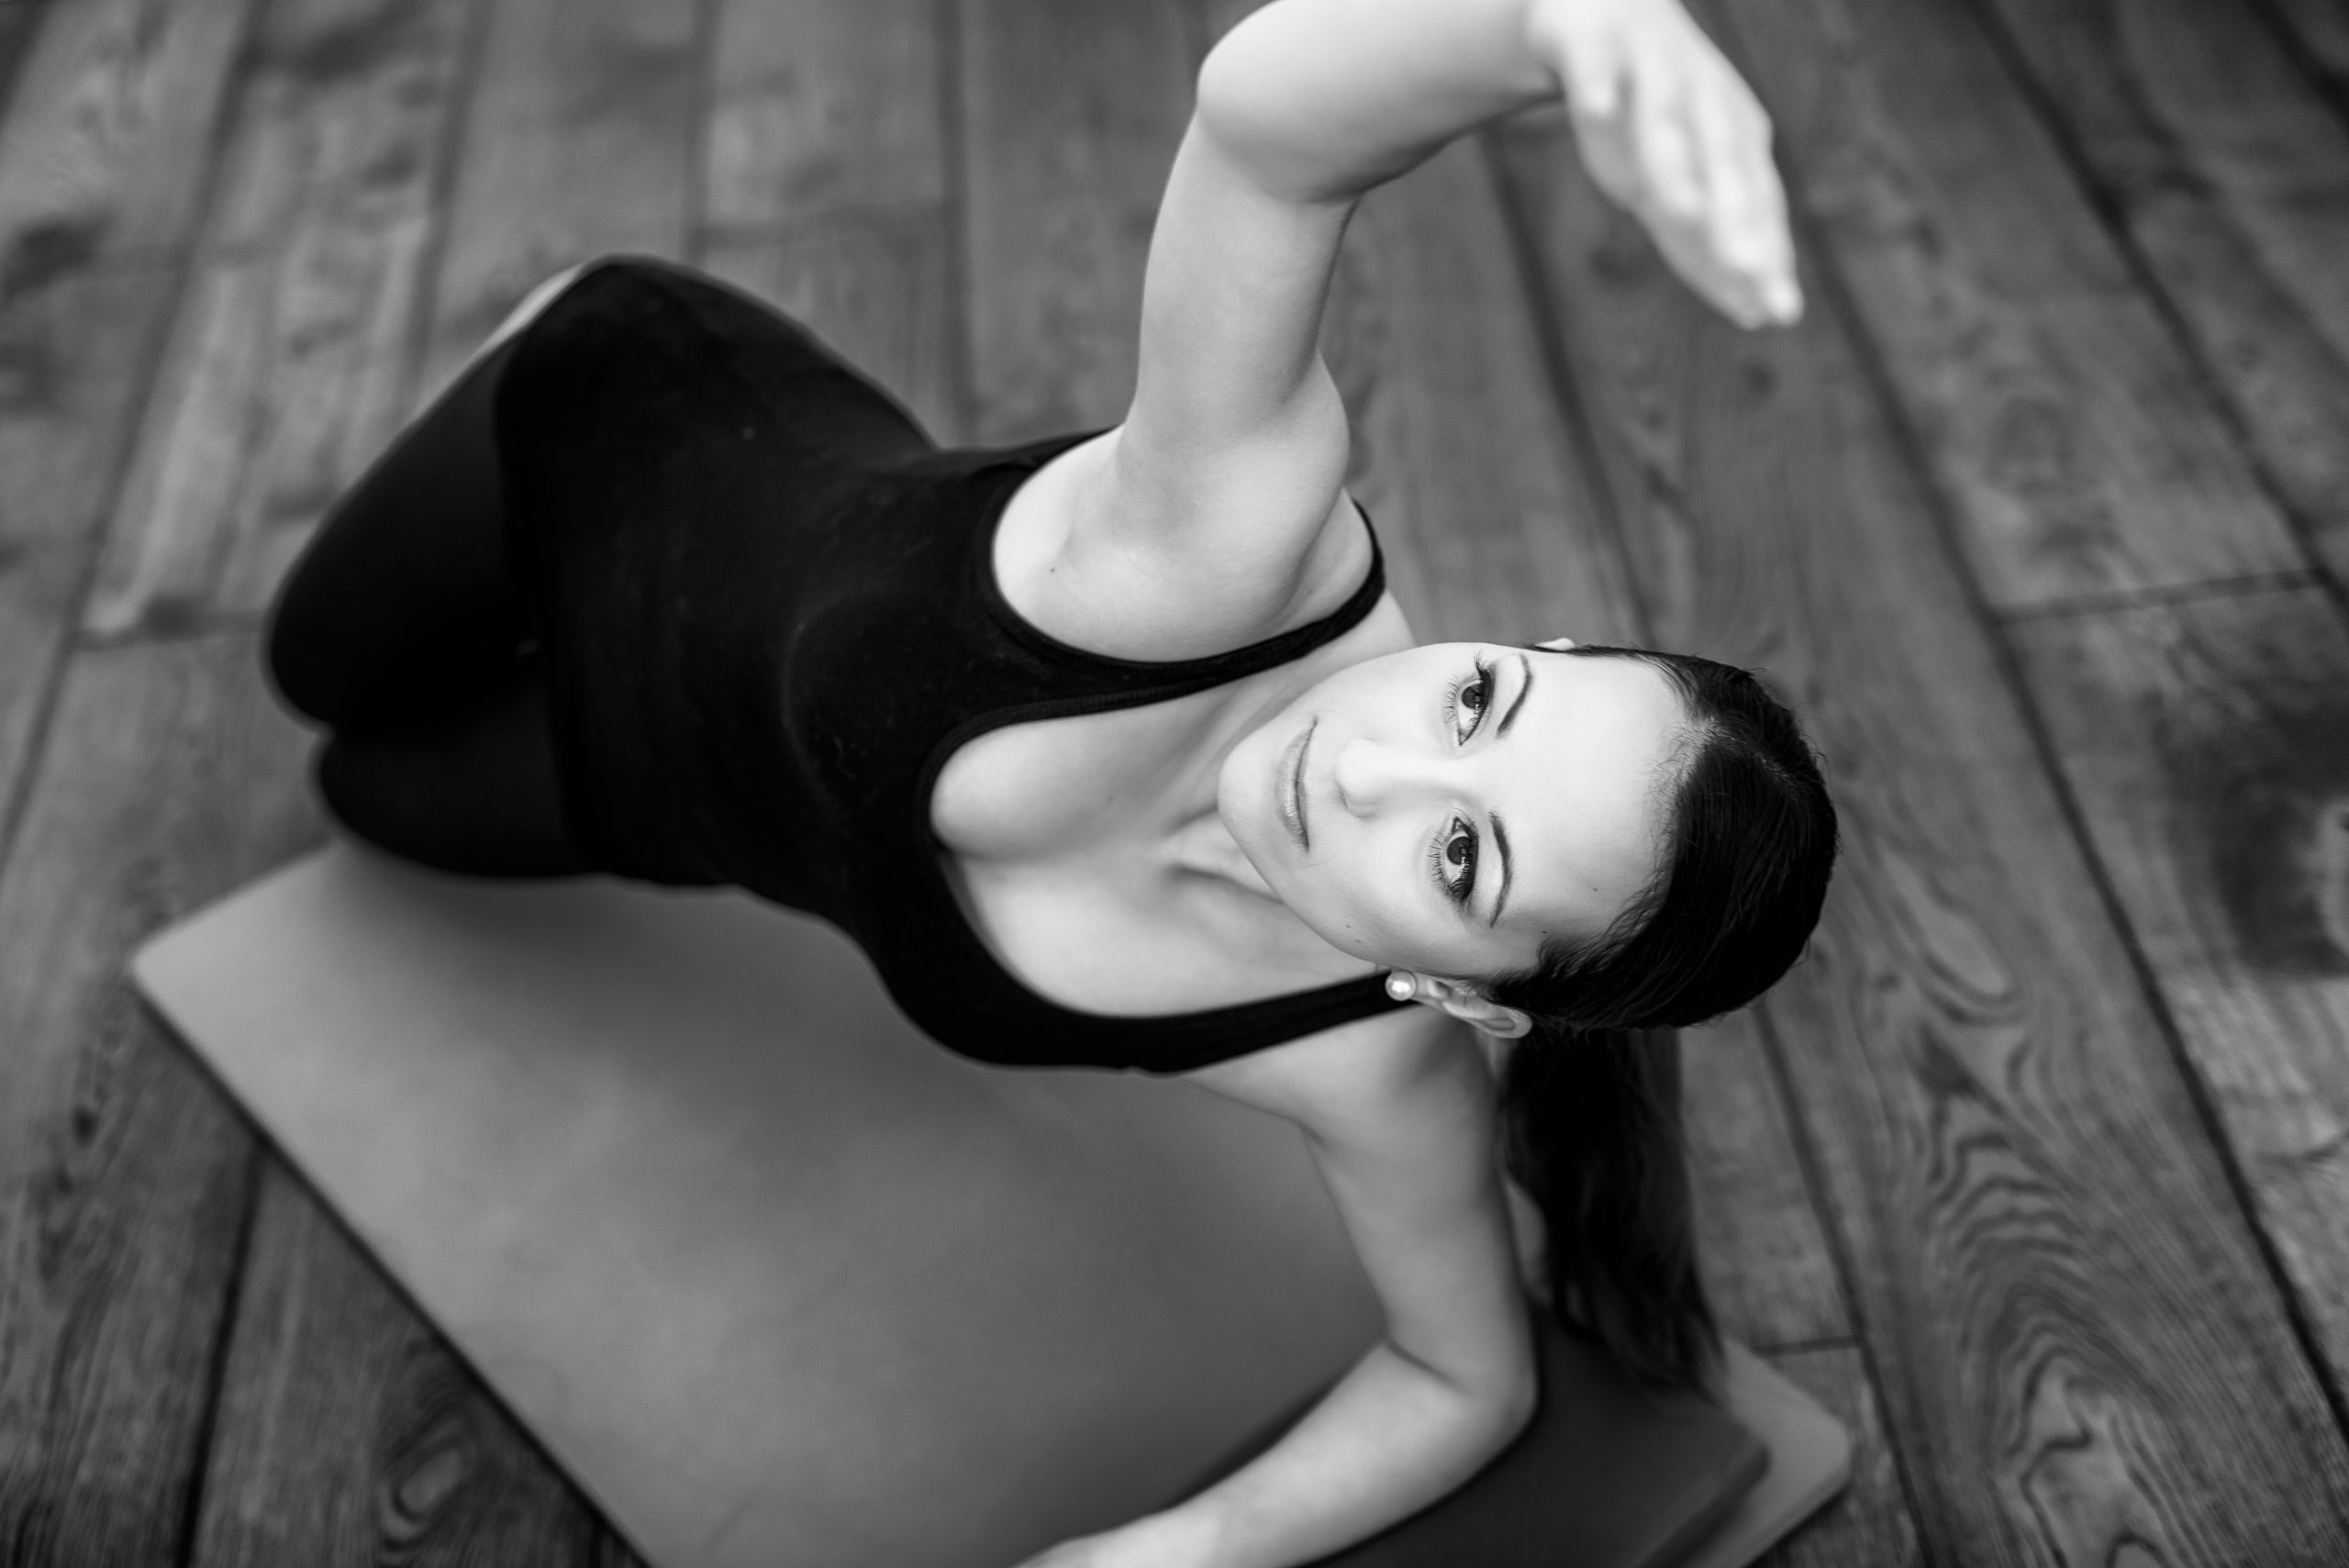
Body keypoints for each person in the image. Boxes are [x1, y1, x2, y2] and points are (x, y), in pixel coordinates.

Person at [263, 0, 1835, 1562]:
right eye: (1485, 696)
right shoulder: (1223, 553)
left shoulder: (1370, 1073)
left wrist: (1183, 1553)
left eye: (1460, 863)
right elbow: (1268, 140)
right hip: (616, 428)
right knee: (306, 670)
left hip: (646, 795)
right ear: (1533, 641)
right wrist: (1554, 24)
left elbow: (1465, 1380)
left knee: (371, 791)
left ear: (1483, 999)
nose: (1369, 762)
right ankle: (546, 317)